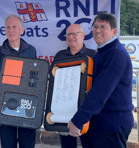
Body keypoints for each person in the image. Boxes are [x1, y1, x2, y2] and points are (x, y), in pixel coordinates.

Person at [69, 12, 134, 148]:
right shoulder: (103, 53)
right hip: (100, 123)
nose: (97, 30)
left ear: (114, 31)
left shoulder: (115, 54)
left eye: (103, 27)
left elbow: (100, 92)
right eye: (95, 26)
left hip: (111, 125)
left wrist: (79, 119)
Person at [0, 14, 37, 148]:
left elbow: (35, 81)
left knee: (27, 144)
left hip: (27, 107)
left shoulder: (31, 50)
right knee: (8, 144)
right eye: (8, 27)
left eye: (14, 27)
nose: (11, 30)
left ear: (22, 30)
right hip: (5, 106)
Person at [53, 24, 96, 148]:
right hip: (64, 108)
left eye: (74, 34)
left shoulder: (93, 55)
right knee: (67, 145)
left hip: (85, 108)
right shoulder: (59, 56)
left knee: (89, 143)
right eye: (68, 34)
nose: (71, 37)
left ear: (83, 35)